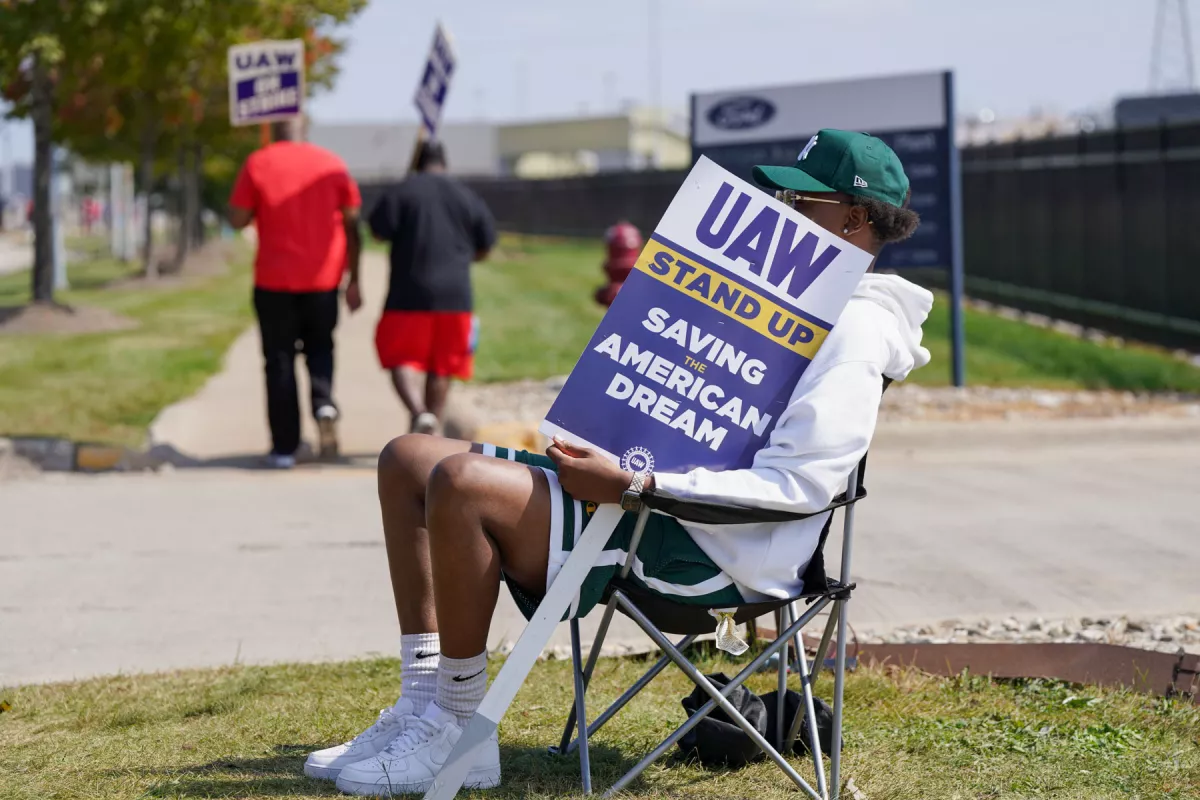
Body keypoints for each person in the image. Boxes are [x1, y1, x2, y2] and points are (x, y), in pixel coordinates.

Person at [305, 129, 933, 794]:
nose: (777, 208)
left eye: (798, 200)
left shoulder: (856, 331)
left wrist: (633, 482)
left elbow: (802, 484)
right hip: (653, 505)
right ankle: (424, 706)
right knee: (407, 459)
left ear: (854, 219)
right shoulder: (782, 298)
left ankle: (460, 732)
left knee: (461, 484)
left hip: (711, 551)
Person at [228, 118, 363, 469]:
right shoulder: (332, 165)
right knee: (321, 347)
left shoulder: (259, 162)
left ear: (274, 130)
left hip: (274, 281)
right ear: (307, 129)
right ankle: (323, 402)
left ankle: (285, 448)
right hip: (323, 280)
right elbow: (352, 223)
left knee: (279, 361)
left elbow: (237, 220)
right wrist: (355, 279)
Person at [367, 140, 496, 436]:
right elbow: (485, 247)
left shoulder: (402, 191)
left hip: (406, 293)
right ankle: (430, 428)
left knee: (399, 358)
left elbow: (376, 231)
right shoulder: (467, 196)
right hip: (455, 296)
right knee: (442, 366)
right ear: (444, 162)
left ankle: (418, 413)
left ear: (417, 162)